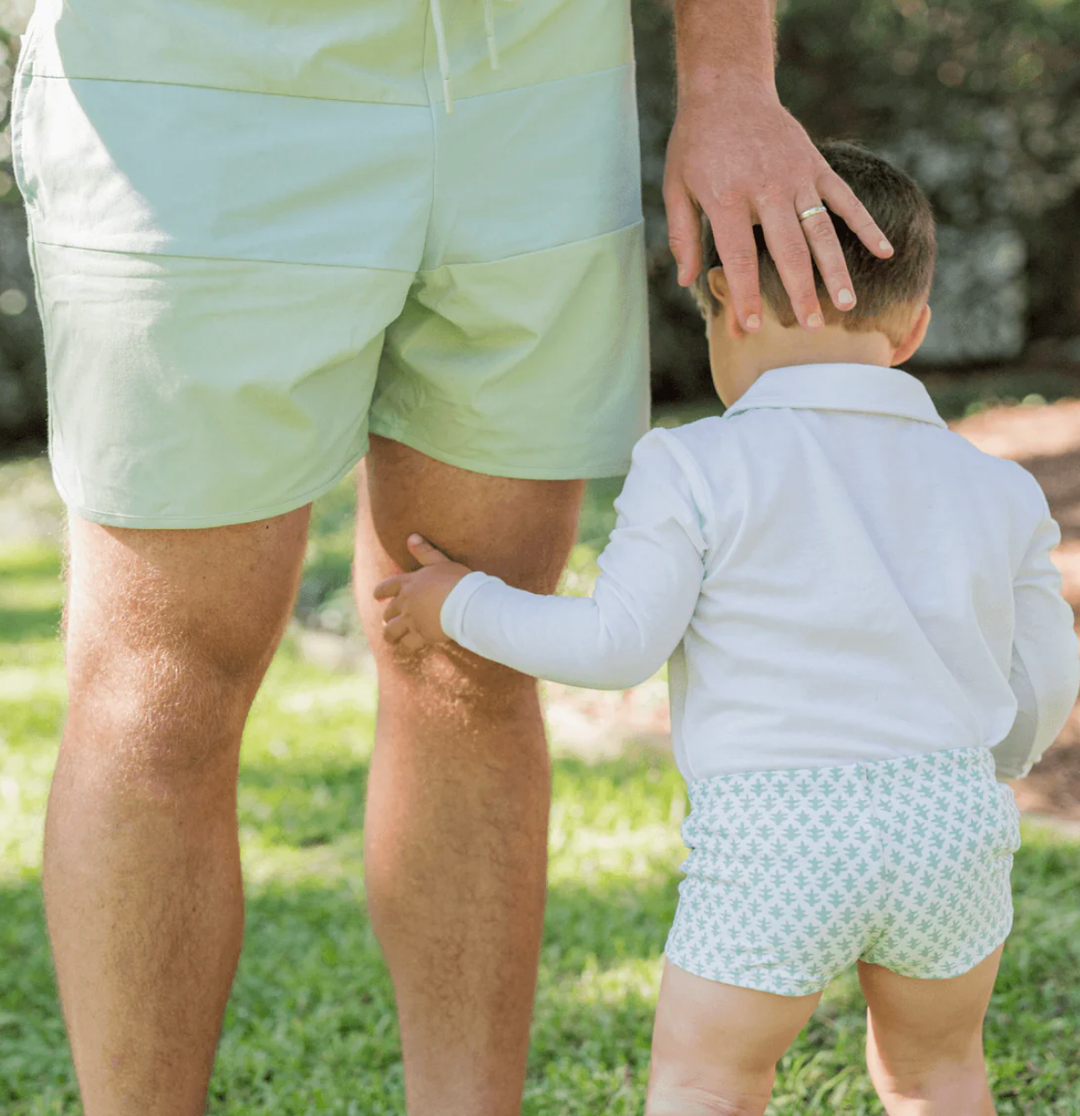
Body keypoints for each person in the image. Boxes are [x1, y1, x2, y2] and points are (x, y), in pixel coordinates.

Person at [9, 0, 893, 1110]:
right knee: (163, 690)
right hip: (189, 87)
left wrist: (728, 79)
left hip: (532, 80)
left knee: (473, 645)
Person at [375, 141, 1080, 1116]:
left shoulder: (693, 463)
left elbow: (616, 646)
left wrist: (453, 599)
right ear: (913, 328)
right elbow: (1044, 680)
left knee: (709, 1084)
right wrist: (976, 769)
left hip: (780, 831)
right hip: (950, 822)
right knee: (938, 1077)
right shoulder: (997, 487)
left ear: (726, 299)